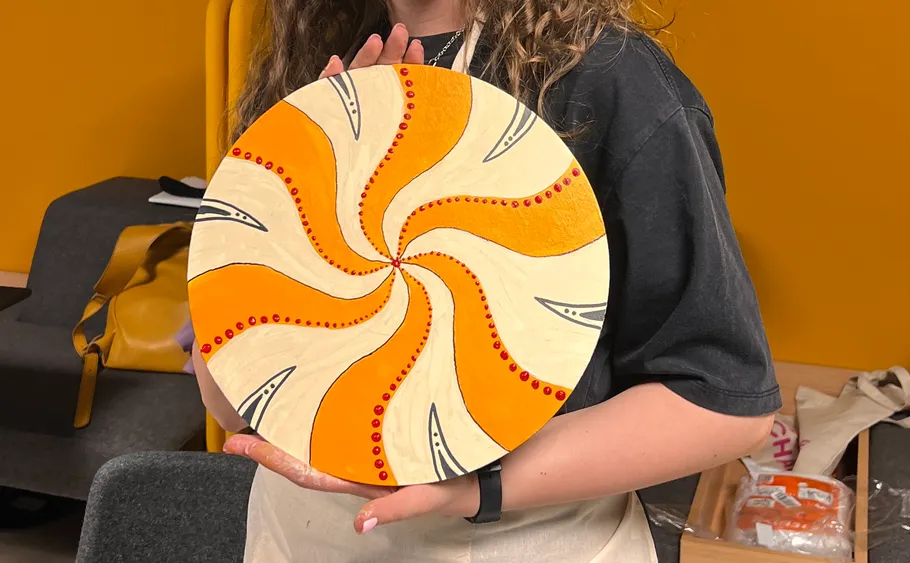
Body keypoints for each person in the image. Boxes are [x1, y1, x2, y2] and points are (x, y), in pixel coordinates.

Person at [188, 0, 783, 561]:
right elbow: (231, 400)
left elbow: (723, 403)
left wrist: (476, 485)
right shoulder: (315, 68)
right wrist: (298, 212)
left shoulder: (607, 80)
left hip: (518, 542)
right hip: (300, 536)